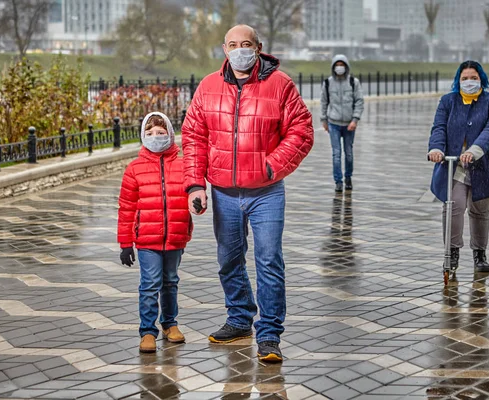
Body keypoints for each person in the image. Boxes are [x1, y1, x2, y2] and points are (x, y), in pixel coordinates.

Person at [181, 24, 314, 363]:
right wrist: (195, 184)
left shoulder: (280, 84)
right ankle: (240, 318)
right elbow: (193, 137)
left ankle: (269, 334)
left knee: (269, 261)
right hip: (223, 192)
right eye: (233, 44)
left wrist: (273, 165)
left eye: (246, 44)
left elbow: (301, 130)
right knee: (228, 259)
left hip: (266, 192)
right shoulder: (208, 86)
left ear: (258, 47)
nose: (240, 49)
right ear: (224, 49)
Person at [118, 112, 192, 353]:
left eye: (160, 133)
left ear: (170, 135)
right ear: (142, 137)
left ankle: (170, 324)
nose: (155, 137)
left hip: (175, 236)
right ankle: (147, 330)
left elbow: (194, 196)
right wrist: (125, 243)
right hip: (147, 239)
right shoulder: (134, 168)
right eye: (149, 133)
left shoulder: (183, 165)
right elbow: (126, 207)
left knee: (170, 282)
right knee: (150, 284)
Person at [427, 60, 489, 273]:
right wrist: (436, 148)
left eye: (474, 78)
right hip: (455, 166)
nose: (469, 82)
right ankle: (452, 251)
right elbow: (438, 128)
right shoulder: (448, 101)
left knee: (480, 210)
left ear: (481, 79)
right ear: (458, 80)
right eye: (465, 79)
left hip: (484, 164)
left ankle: (480, 254)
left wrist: (473, 151)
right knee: (453, 206)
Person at [320, 54, 364, 192]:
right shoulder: (327, 83)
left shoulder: (353, 82)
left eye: (342, 65)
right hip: (333, 123)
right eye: (337, 65)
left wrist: (355, 119)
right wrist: (324, 120)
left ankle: (348, 177)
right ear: (333, 67)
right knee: (336, 154)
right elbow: (324, 102)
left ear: (346, 66)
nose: (340, 68)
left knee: (349, 153)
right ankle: (338, 181)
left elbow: (359, 101)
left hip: (349, 124)